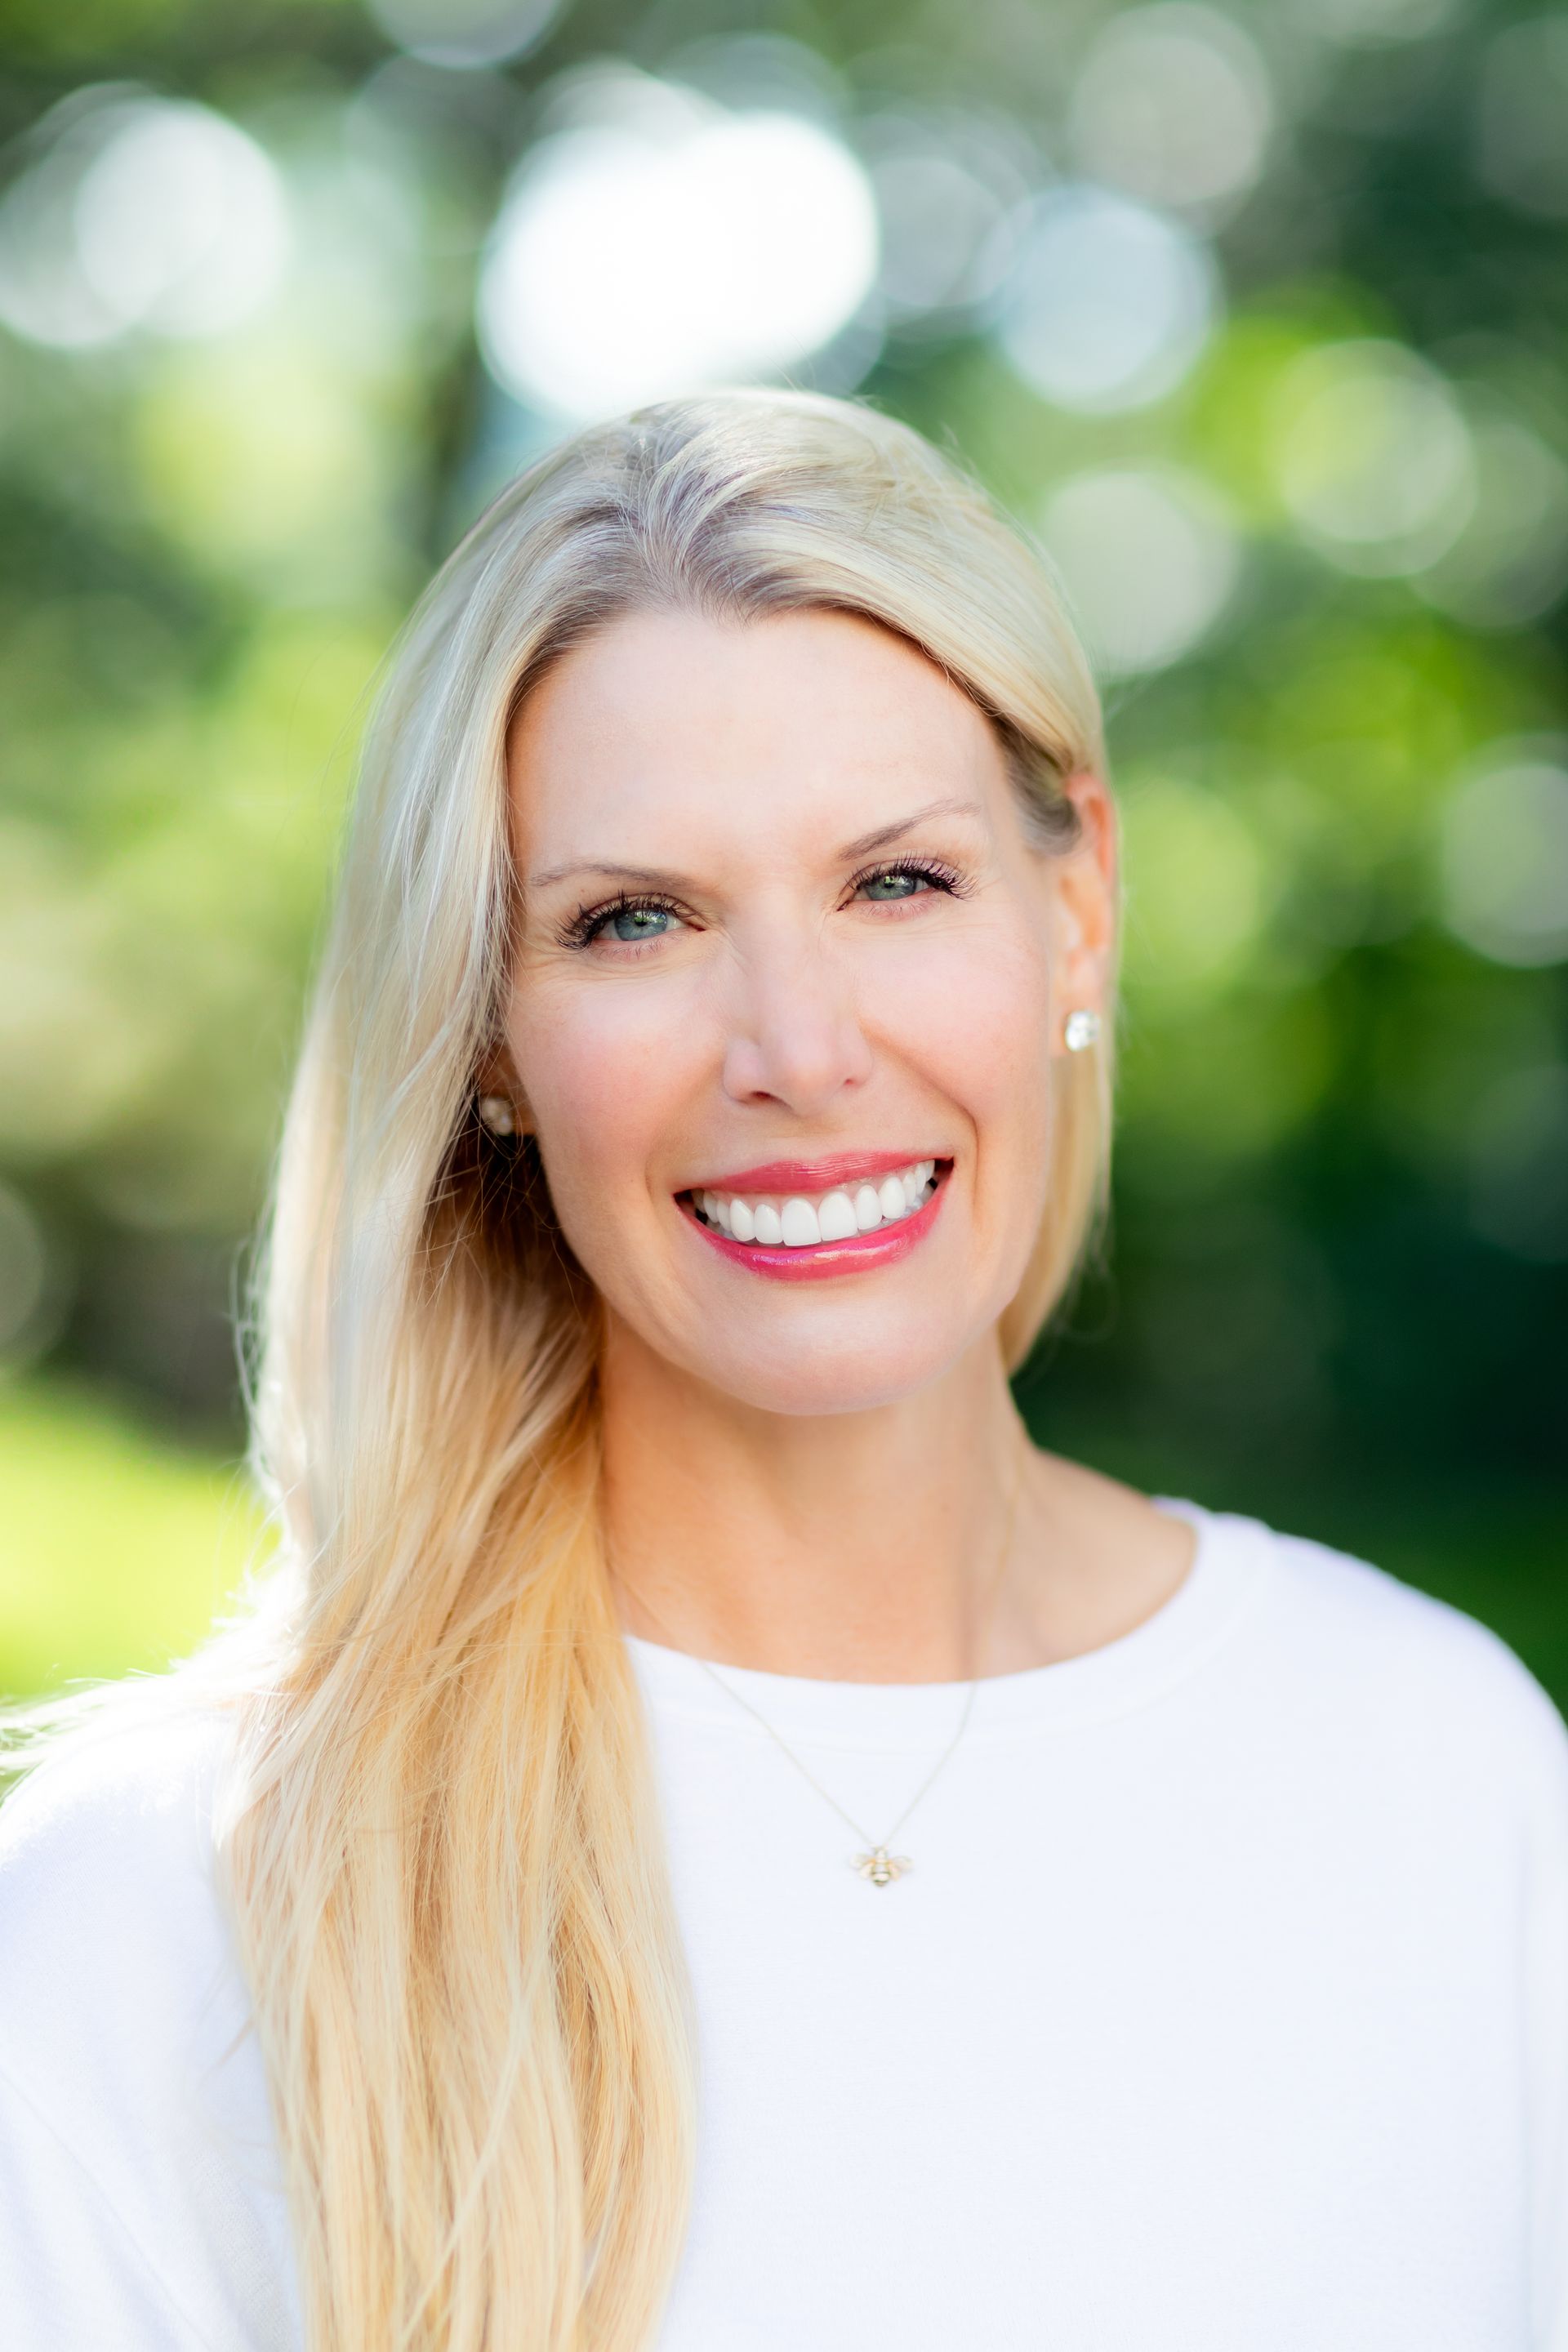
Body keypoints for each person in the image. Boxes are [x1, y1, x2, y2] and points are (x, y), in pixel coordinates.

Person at [1, 389, 1565, 2352]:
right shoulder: (160, 1916)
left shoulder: (1441, 1773)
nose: (799, 1050)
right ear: (487, 1026)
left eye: (895, 883)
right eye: (635, 922)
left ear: (1073, 913)